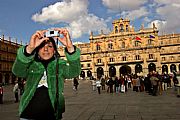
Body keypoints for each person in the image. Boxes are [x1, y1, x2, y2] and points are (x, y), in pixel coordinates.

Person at [12, 28, 81, 120]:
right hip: (28, 115)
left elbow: (74, 72)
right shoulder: (31, 65)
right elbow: (17, 71)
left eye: (50, 46)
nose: (45, 49)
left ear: (55, 50)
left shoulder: (60, 65)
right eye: (41, 46)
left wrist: (70, 48)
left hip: (53, 115)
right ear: (37, 49)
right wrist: (29, 49)